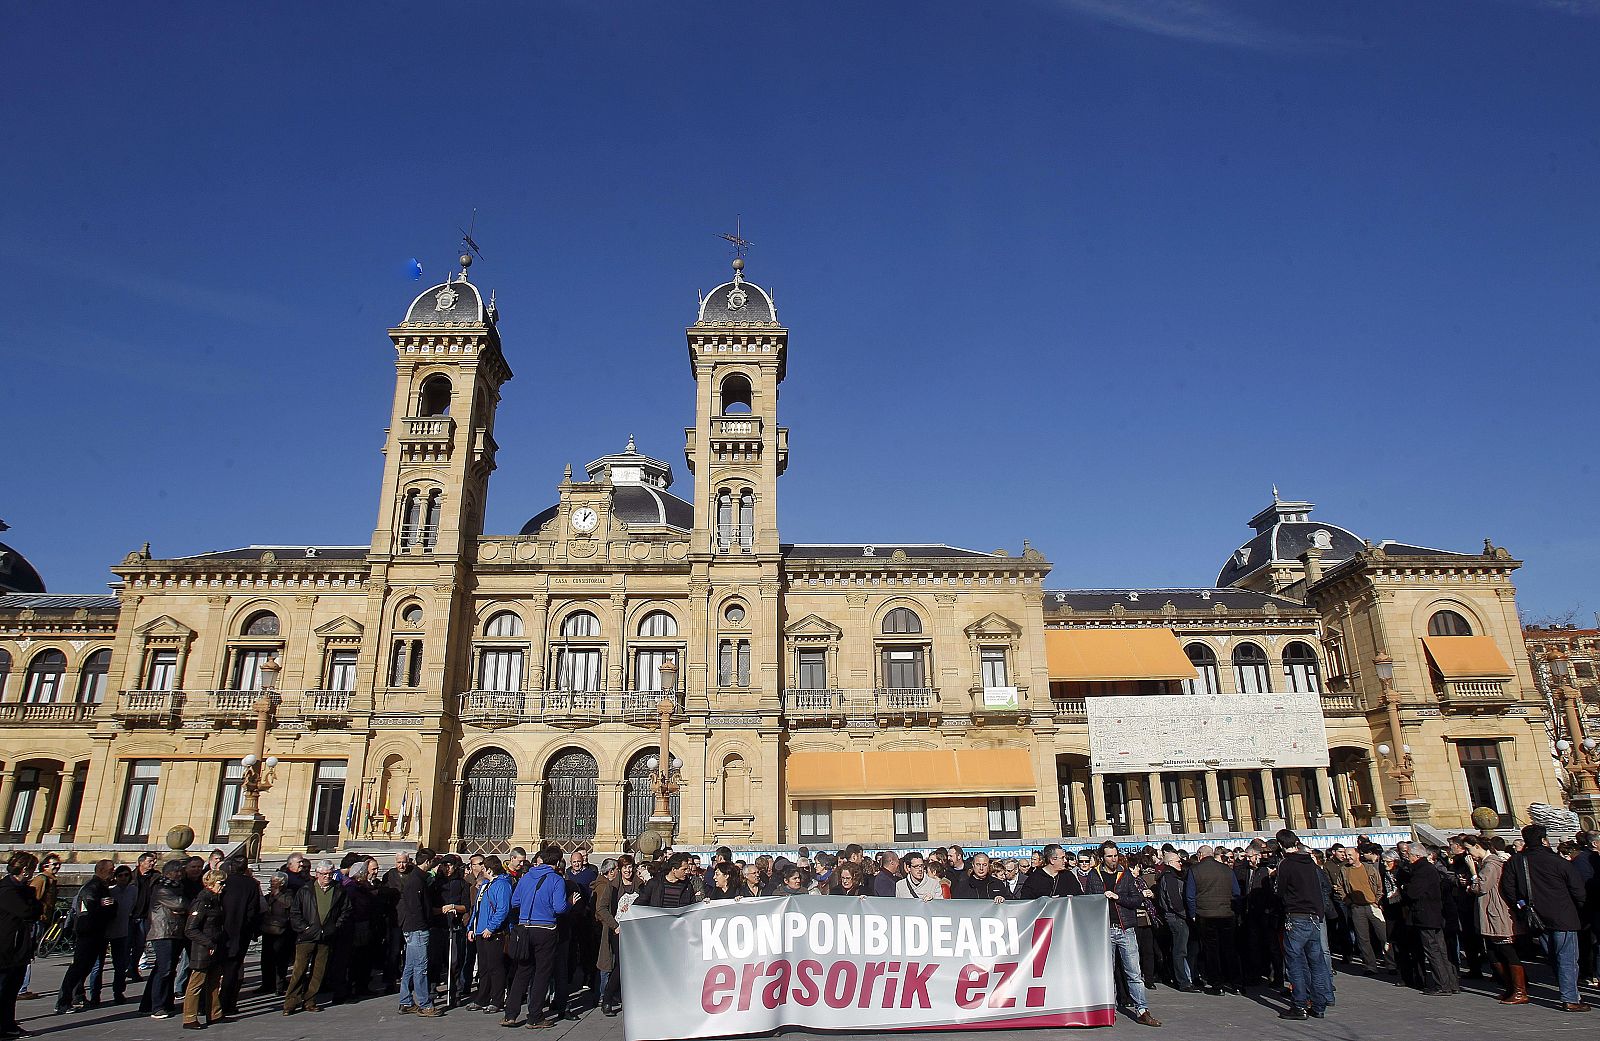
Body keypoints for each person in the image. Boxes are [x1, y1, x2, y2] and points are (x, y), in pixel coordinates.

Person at [1501, 823, 1589, 1012]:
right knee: (1567, 958)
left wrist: (1521, 906)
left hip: (1535, 916)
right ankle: (1570, 998)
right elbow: (1578, 890)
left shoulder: (1516, 861)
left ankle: (1567, 991)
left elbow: (1507, 888)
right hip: (1563, 915)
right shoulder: (1558, 861)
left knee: (1554, 956)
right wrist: (1579, 908)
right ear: (1544, 840)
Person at [503, 845, 571, 1028]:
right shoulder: (556, 879)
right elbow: (560, 908)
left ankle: (510, 1014)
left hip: (525, 928)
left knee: (522, 971)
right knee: (542, 973)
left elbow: (515, 901)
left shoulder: (526, 877)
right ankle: (535, 1016)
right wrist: (569, 903)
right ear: (558, 862)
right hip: (545, 929)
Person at [1096, 842, 1161, 1027]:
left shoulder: (1124, 875)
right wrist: (1101, 898)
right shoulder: (1095, 875)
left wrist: (1118, 898)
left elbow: (1136, 900)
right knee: (1107, 973)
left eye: (1115, 855)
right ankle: (1109, 1010)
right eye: (1109, 856)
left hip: (1126, 928)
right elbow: (1089, 900)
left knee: (1134, 972)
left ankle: (1142, 1010)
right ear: (1102, 858)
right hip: (1104, 929)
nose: (1113, 859)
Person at [1274, 830, 1334, 1019]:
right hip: (1314, 916)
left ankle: (1299, 1005)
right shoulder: (1310, 863)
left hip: (1296, 916)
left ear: (1281, 845)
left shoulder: (1286, 864)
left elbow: (1280, 891)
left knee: (1295, 962)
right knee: (1316, 962)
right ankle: (1319, 1005)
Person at [1462, 835, 1524, 1003]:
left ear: (1477, 846)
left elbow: (1481, 887)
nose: (1468, 853)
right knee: (1494, 951)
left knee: (1506, 950)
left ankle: (1519, 990)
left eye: (1468, 849)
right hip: (1490, 911)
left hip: (1497, 912)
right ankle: (1509, 987)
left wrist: (1473, 873)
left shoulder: (1491, 864)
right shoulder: (1486, 863)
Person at [284, 860, 350, 1016]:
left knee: (318, 971)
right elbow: (295, 912)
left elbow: (345, 911)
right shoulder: (306, 890)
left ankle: (310, 1000)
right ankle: (291, 1002)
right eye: (323, 874)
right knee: (299, 970)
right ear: (317, 874)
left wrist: (335, 927)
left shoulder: (339, 890)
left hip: (326, 935)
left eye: (330, 874)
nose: (327, 877)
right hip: (307, 936)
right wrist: (304, 928)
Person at [56, 858, 117, 1015]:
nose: (113, 873)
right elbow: (87, 910)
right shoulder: (92, 887)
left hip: (96, 932)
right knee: (79, 966)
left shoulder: (101, 887)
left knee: (85, 967)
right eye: (111, 870)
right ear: (102, 871)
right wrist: (104, 906)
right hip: (88, 933)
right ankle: (63, 1000)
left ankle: (77, 995)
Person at [1400, 845, 1458, 996]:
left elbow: (1413, 893)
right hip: (1434, 914)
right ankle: (1451, 983)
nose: (1408, 858)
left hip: (1425, 915)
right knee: (1441, 950)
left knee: (1433, 950)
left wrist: (1405, 887)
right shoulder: (1428, 869)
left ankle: (1443, 985)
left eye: (1409, 855)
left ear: (1416, 856)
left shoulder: (1422, 870)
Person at [1184, 845, 1240, 995]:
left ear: (1200, 855)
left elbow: (1190, 895)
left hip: (1205, 914)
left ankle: (1217, 985)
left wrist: (1193, 913)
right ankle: (1236, 984)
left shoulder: (1194, 870)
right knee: (1230, 949)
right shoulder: (1226, 869)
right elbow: (1236, 892)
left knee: (1211, 951)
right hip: (1226, 913)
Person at [0, 852, 42, 1040]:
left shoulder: (22, 889)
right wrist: (33, 902)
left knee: (11, 991)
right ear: (24, 870)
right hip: (6, 947)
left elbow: (36, 909)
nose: (33, 873)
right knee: (4, 989)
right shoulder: (7, 890)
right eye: (32, 869)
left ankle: (8, 1025)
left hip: (18, 947)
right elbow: (28, 911)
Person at [139, 859, 187, 1018]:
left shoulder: (177, 886)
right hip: (162, 932)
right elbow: (180, 904)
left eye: (181, 871)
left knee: (166, 968)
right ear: (168, 873)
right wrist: (184, 908)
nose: (180, 874)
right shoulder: (162, 888)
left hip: (174, 931)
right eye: (177, 871)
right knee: (164, 969)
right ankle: (157, 1006)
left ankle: (154, 1003)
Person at [465, 854, 512, 1014]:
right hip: (480, 930)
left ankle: (497, 1000)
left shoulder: (502, 885)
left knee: (495, 967)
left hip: (494, 932)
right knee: (484, 967)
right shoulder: (485, 885)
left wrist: (491, 927)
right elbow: (477, 909)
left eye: (484, 868)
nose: (481, 870)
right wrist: (471, 927)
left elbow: (502, 909)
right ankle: (482, 997)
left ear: (490, 869)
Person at [390, 851, 436, 1016]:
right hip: (417, 928)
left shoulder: (416, 878)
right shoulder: (416, 880)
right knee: (420, 967)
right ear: (428, 861)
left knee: (410, 966)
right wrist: (423, 925)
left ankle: (406, 1001)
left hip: (412, 927)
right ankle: (425, 1004)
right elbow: (416, 907)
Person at [181, 870, 227, 1030]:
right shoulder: (202, 901)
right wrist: (209, 944)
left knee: (214, 981)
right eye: (221, 883)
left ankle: (215, 1014)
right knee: (196, 983)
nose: (223, 886)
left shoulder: (215, 899)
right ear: (211, 883)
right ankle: (189, 1018)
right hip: (203, 948)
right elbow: (190, 929)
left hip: (215, 945)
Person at [215, 858, 260, 1016]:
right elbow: (253, 910)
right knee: (232, 969)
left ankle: (208, 1004)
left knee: (215, 969)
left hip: (220, 930)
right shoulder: (251, 884)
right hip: (240, 932)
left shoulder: (224, 882)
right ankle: (226, 1004)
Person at [87, 863, 136, 1006]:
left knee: (120, 965)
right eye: (120, 875)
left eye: (126, 875)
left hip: (121, 931)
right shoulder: (109, 890)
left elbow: (133, 907)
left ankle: (118, 992)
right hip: (104, 932)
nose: (123, 878)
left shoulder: (133, 891)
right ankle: (95, 994)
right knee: (98, 966)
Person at [17, 855, 59, 1002]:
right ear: (45, 866)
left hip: (41, 920)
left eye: (58, 864)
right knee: (27, 954)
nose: (57, 867)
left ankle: (21, 987)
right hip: (36, 921)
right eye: (54, 864)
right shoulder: (41, 880)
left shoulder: (51, 880)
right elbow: (32, 899)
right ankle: (21, 988)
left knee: (29, 954)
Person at [1152, 850, 1195, 992]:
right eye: (1178, 861)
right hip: (1176, 918)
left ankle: (1182, 979)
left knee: (1179, 949)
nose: (1180, 863)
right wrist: (1185, 915)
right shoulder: (1169, 877)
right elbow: (1173, 900)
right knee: (1179, 950)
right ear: (1170, 863)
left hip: (1175, 917)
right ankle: (1183, 981)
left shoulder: (1169, 875)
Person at [258, 872, 294, 996]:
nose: (272, 884)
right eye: (271, 881)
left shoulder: (288, 894)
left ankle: (279, 985)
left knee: (280, 960)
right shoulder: (269, 896)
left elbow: (289, 904)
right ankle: (267, 984)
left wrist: (277, 894)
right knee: (266, 959)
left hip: (282, 931)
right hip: (268, 930)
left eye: (275, 881)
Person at [1018, 844, 1084, 898]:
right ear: (1052, 860)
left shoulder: (1069, 876)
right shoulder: (1034, 879)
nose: (1065, 861)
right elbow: (1027, 903)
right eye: (1062, 858)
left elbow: (1080, 897)